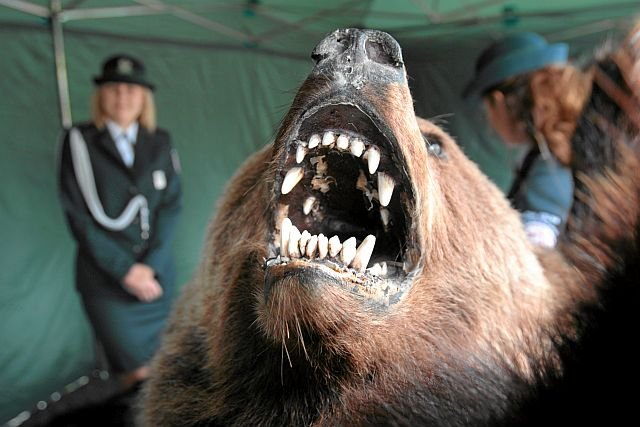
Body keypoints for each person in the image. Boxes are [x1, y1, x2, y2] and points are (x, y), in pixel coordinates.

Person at [58, 54, 182, 390]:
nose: (123, 96)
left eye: (132, 89)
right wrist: (125, 271)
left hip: (156, 280)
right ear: (101, 95)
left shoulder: (160, 142)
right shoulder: (79, 142)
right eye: (114, 88)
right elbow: (79, 217)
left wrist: (150, 266)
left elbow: (170, 206)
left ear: (144, 97)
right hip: (107, 283)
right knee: (137, 377)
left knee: (167, 365)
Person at [463, 32, 590, 248]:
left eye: (487, 110)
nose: (489, 122)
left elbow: (538, 252)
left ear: (499, 101)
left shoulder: (548, 165)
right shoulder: (568, 148)